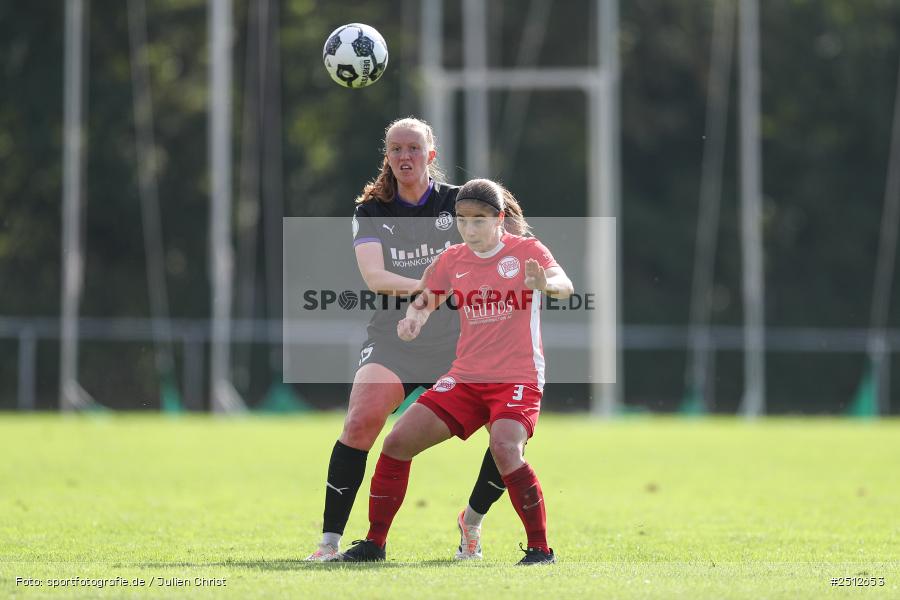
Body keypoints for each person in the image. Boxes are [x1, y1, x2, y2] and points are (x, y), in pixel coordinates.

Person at [337, 178, 574, 565]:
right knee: (396, 442)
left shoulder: (527, 251)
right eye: (462, 220)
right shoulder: (451, 260)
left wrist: (544, 283)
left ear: (499, 219)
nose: (469, 229)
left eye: (479, 220)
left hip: (516, 378)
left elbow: (565, 285)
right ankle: (374, 543)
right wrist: (414, 320)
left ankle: (540, 550)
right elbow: (425, 300)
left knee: (505, 448)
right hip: (464, 378)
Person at [305, 119, 507, 561]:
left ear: (431, 155)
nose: (404, 157)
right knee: (360, 421)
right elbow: (375, 277)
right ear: (388, 156)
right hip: (397, 339)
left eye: (414, 148)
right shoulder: (372, 210)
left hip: (464, 344)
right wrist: (435, 286)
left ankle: (471, 522)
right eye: (396, 149)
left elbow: (503, 250)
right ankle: (329, 544)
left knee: (507, 436)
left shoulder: (460, 201)